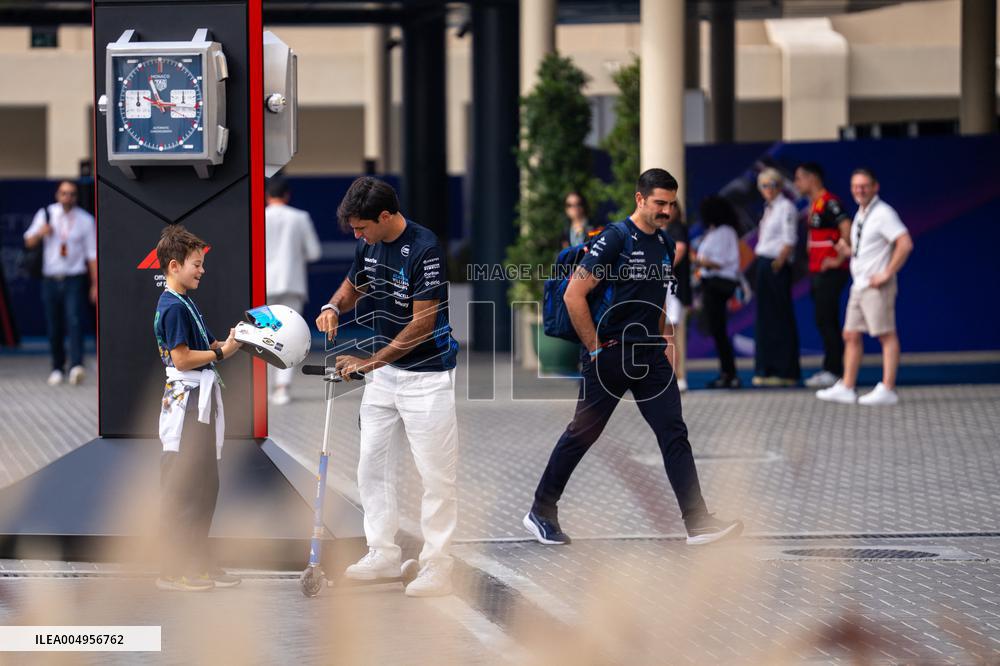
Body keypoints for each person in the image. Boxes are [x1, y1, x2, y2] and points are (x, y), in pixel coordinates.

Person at [523, 169, 743, 547]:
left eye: (671, 204)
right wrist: (594, 349)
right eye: (659, 203)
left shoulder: (665, 245)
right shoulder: (613, 240)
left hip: (649, 358)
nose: (666, 211)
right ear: (639, 199)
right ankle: (541, 511)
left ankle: (698, 521)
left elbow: (658, 302)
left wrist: (663, 346)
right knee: (583, 433)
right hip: (608, 353)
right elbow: (573, 296)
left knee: (674, 432)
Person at [316, 177, 460, 597]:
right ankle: (383, 553)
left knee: (436, 477)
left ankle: (439, 565)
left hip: (427, 379)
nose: (357, 237)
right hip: (382, 378)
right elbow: (354, 284)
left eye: (362, 228)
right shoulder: (369, 242)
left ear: (385, 216)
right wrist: (331, 306)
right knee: (370, 468)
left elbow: (422, 324)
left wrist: (368, 363)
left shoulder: (425, 247)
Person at [153, 224, 243, 592]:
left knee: (206, 485)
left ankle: (199, 563)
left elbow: (201, 349)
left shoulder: (184, 302)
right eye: (196, 264)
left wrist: (232, 342)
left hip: (198, 403)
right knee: (186, 487)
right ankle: (174, 571)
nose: (202, 270)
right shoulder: (173, 306)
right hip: (187, 404)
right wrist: (223, 351)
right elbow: (183, 358)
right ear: (174, 266)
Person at [817, 168, 913, 406]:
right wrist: (849, 252)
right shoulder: (862, 213)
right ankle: (847, 386)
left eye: (864, 186)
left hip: (876, 286)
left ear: (875, 187)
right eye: (855, 186)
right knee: (850, 334)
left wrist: (887, 273)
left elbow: (905, 243)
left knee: (885, 334)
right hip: (859, 284)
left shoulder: (884, 213)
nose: (859, 190)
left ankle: (887, 388)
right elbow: (869, 248)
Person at [22, 180, 97, 386]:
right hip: (50, 278)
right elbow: (28, 241)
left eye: (72, 193)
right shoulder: (46, 214)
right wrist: (40, 233)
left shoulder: (85, 220)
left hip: (74, 277)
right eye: (64, 193)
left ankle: (76, 366)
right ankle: (57, 367)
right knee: (54, 324)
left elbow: (92, 254)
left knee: (74, 320)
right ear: (57, 195)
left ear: (76, 196)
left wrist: (95, 284)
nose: (68, 197)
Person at [794, 162, 852, 389]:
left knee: (827, 320)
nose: (797, 183)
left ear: (812, 178)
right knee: (823, 320)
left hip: (832, 272)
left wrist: (838, 258)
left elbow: (846, 227)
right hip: (817, 271)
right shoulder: (814, 204)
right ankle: (833, 369)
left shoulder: (830, 202)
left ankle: (834, 371)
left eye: (799, 178)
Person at [265, 177, 321, 406]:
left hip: (263, 285)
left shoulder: (258, 216)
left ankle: (264, 387)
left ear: (268, 196)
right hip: (292, 283)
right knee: (290, 337)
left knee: (263, 336)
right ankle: (282, 387)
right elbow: (314, 252)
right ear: (287, 195)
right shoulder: (300, 218)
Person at [751, 168, 801, 386]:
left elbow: (789, 240)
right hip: (763, 262)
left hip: (775, 264)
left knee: (780, 318)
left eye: (773, 184)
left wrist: (778, 263)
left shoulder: (786, 207)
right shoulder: (769, 208)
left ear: (780, 186)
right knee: (765, 319)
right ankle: (768, 368)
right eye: (764, 185)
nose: (769, 189)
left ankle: (785, 370)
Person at [693, 195, 742, 389]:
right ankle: (727, 372)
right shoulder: (717, 231)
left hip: (718, 283)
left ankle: (729, 373)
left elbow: (719, 261)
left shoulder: (724, 232)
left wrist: (699, 260)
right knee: (717, 329)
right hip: (713, 283)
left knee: (718, 329)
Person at [662, 201, 691, 392]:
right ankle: (670, 377)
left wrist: (657, 268)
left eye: (671, 205)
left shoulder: (677, 228)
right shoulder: (663, 230)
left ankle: (676, 377)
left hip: (673, 289)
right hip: (665, 287)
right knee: (664, 335)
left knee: (668, 333)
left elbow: (679, 250)